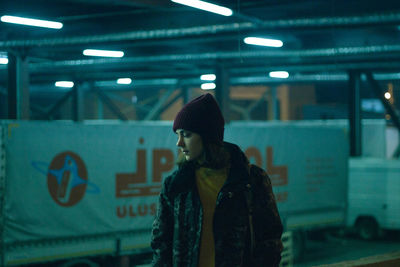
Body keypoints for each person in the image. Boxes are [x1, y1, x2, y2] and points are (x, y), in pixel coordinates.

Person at [151, 93, 283, 267]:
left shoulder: (250, 181)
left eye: (186, 135)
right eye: (178, 135)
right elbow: (161, 245)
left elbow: (270, 240)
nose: (179, 143)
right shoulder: (175, 186)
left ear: (207, 136)